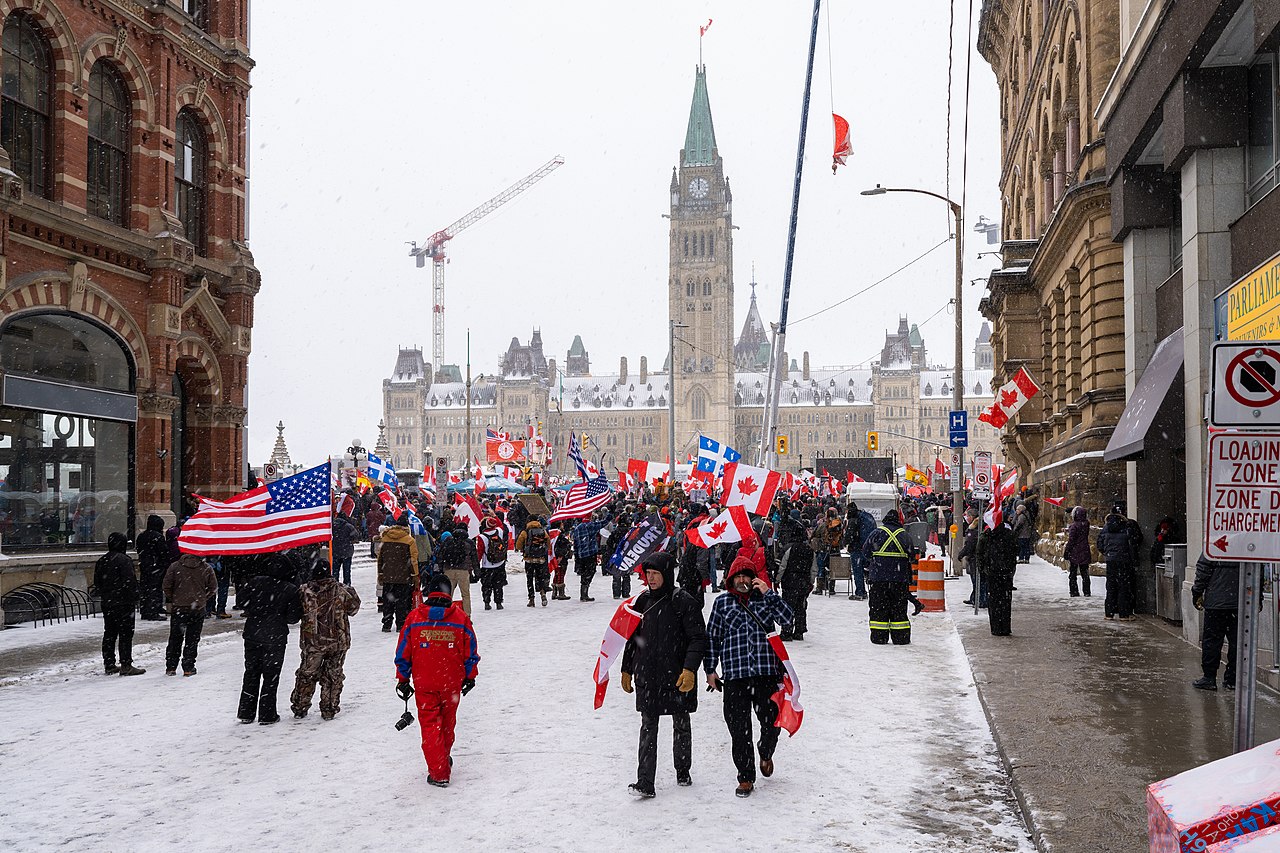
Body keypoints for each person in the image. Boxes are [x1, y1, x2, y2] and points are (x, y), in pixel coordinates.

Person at [704, 545, 795, 798]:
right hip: (735, 676)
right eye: (738, 576)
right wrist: (710, 669)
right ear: (731, 579)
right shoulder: (722, 603)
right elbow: (712, 638)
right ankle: (745, 777)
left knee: (771, 724)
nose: (742, 580)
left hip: (766, 674)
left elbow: (788, 620)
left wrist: (770, 594)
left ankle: (766, 752)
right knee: (738, 729)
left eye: (747, 575)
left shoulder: (765, 598)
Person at [619, 552, 707, 798]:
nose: (651, 579)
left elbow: (698, 638)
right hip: (648, 675)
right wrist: (627, 667)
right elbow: (632, 639)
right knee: (648, 726)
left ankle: (683, 769)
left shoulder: (684, 602)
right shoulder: (641, 602)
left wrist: (690, 669)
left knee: (681, 723)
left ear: (667, 574)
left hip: (676, 674)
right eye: (648, 574)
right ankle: (645, 781)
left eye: (656, 574)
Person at [395, 574, 480, 788]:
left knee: (430, 726)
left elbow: (403, 651)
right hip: (451, 682)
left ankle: (438, 771)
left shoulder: (415, 618)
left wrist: (403, 678)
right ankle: (442, 758)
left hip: (425, 683)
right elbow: (471, 650)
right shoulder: (460, 618)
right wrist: (470, 676)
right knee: (448, 723)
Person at [291, 562, 361, 719]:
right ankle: (329, 707)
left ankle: (300, 706)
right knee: (333, 674)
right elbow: (354, 609)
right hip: (338, 640)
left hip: (312, 641)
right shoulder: (343, 590)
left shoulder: (304, 591)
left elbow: (295, 612)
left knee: (307, 673)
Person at [238, 554, 302, 724]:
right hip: (275, 636)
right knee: (271, 676)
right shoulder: (289, 589)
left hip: (252, 633)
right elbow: (293, 618)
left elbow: (241, 602)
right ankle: (267, 713)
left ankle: (246, 712)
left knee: (251, 672)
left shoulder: (255, 582)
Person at [863, 509, 918, 645]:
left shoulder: (876, 533)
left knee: (878, 608)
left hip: (878, 579)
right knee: (898, 609)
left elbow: (865, 552)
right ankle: (901, 637)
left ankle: (879, 636)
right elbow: (912, 557)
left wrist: (877, 562)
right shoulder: (904, 535)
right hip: (899, 580)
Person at [94, 532, 145, 676]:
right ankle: (126, 664)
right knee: (125, 634)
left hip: (108, 602)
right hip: (123, 602)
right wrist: (135, 596)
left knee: (109, 633)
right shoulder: (124, 560)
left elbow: (97, 582)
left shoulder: (102, 560)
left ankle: (109, 663)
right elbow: (130, 582)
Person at [162, 551, 217, 676]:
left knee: (175, 638)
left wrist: (175, 598)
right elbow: (213, 587)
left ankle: (171, 666)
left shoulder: (175, 566)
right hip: (197, 608)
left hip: (179, 608)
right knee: (192, 639)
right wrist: (202, 598)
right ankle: (188, 666)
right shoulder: (206, 568)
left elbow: (166, 586)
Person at [1191, 556, 1239, 691]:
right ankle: (1232, 679)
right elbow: (1256, 573)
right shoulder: (1245, 544)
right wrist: (1258, 598)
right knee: (1237, 642)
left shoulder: (1214, 542)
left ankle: (1209, 677)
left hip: (1216, 603)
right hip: (1239, 603)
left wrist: (1197, 592)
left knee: (1212, 641)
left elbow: (1203, 570)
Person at [977, 518, 1018, 636]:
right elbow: (1015, 550)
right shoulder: (1009, 535)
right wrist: (1010, 568)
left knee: (994, 601)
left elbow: (979, 553)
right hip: (1005, 573)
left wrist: (983, 570)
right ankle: (1005, 627)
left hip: (992, 573)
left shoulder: (986, 535)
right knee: (1005, 601)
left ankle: (995, 628)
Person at [378, 516, 419, 632]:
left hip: (387, 575)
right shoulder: (409, 540)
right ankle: (401, 624)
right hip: (403, 576)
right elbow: (413, 560)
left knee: (388, 601)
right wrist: (415, 575)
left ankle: (386, 624)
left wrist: (380, 573)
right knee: (402, 601)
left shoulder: (385, 538)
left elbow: (380, 558)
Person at [776, 509, 812, 641]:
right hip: (803, 581)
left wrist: (777, 580)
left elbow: (782, 566)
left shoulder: (789, 548)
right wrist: (811, 581)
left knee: (787, 606)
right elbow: (813, 568)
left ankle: (787, 630)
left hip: (790, 581)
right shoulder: (809, 549)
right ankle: (799, 630)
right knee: (801, 606)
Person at [1097, 511, 1133, 620]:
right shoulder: (1126, 527)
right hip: (1123, 560)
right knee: (1123, 586)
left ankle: (1109, 613)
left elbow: (1099, 543)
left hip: (1111, 560)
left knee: (1111, 586)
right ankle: (1124, 614)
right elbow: (1132, 542)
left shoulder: (1106, 528)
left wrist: (1107, 552)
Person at [136, 514, 170, 621]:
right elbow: (163, 552)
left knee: (146, 588)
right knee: (154, 588)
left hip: (145, 565)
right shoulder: (158, 537)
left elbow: (139, 550)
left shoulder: (142, 536)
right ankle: (153, 610)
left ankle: (147, 609)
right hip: (156, 565)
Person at [437, 522, 475, 615]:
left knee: (447, 594)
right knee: (465, 594)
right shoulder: (469, 543)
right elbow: (474, 558)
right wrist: (476, 572)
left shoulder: (447, 542)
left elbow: (440, 556)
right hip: (463, 571)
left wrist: (441, 569)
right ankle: (467, 615)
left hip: (449, 570)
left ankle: (446, 614)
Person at [571, 512, 608, 602]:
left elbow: (575, 542)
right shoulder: (591, 526)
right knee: (590, 572)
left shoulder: (577, 528)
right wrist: (608, 515)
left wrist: (576, 554)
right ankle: (584, 592)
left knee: (584, 573)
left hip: (581, 555)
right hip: (590, 553)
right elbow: (604, 522)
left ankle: (583, 592)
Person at [515, 516, 551, 607]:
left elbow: (518, 545)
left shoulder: (525, 532)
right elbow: (548, 543)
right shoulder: (543, 530)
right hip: (540, 558)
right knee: (540, 577)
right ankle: (543, 593)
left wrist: (525, 548)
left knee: (530, 579)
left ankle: (531, 599)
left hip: (529, 559)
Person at [845, 502, 874, 601]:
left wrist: (846, 542)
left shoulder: (854, 520)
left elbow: (849, 535)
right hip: (869, 548)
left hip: (857, 549)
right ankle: (873, 591)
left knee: (858, 571)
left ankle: (860, 592)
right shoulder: (866, 516)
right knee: (870, 570)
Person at [478, 519, 508, 610]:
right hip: (499, 562)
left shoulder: (482, 537)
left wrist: (476, 564)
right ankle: (499, 602)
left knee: (486, 585)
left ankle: (487, 602)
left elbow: (480, 552)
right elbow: (500, 524)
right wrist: (494, 516)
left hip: (487, 564)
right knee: (498, 584)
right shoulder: (499, 531)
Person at [1064, 506, 1093, 597]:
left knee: (1073, 573)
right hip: (1084, 550)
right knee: (1085, 573)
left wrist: (1067, 551)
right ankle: (1087, 591)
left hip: (1075, 552)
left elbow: (1072, 540)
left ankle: (1074, 591)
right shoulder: (1086, 524)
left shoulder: (1074, 526)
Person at [331, 512, 360, 585]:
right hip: (347, 551)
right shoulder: (349, 526)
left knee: (335, 571)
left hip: (336, 551)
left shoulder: (332, 526)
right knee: (346, 571)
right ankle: (347, 585)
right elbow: (356, 536)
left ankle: (335, 585)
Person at [550, 520, 573, 601]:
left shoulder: (551, 533)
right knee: (560, 573)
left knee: (557, 573)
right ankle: (561, 593)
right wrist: (560, 555)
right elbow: (560, 546)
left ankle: (554, 592)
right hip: (560, 557)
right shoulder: (559, 535)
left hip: (554, 556)